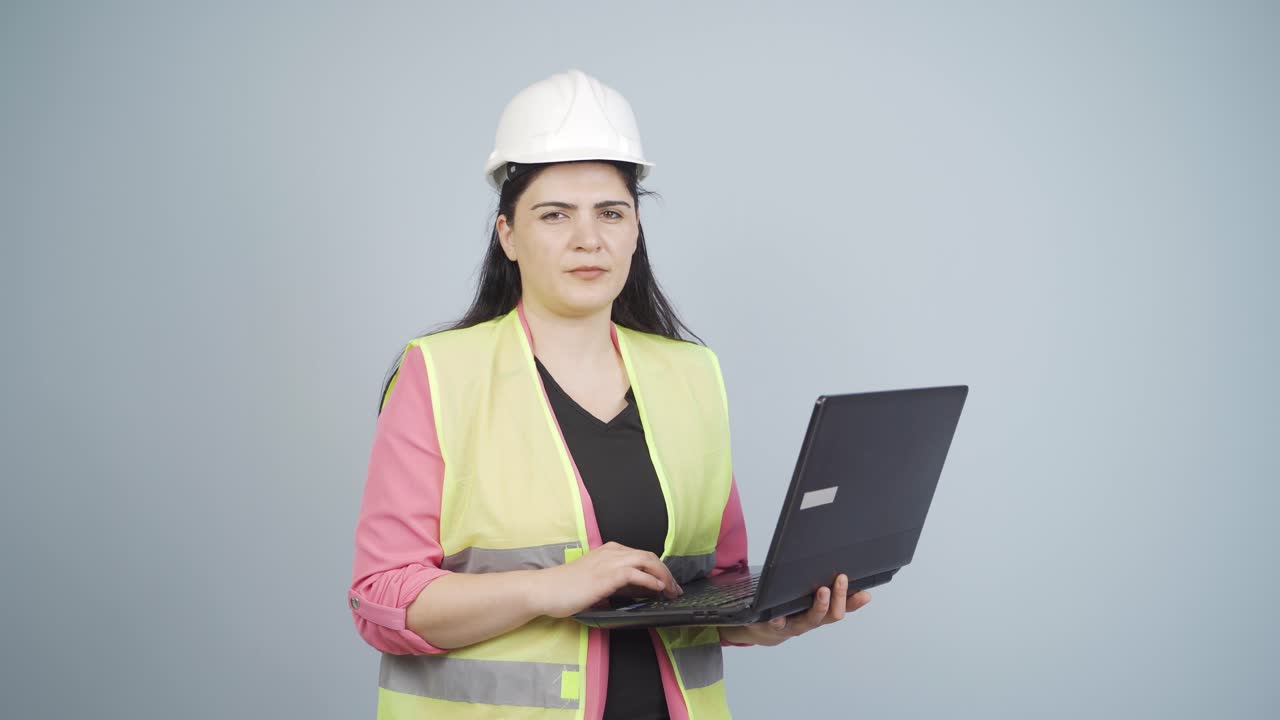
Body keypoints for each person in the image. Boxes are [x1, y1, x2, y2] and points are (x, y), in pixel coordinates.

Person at [348, 68, 872, 720]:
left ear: (634, 230)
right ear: (507, 233)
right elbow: (382, 598)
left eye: (611, 213)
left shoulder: (692, 374)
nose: (588, 239)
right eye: (554, 215)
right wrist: (552, 588)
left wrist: (765, 620)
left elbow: (710, 589)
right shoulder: (439, 374)